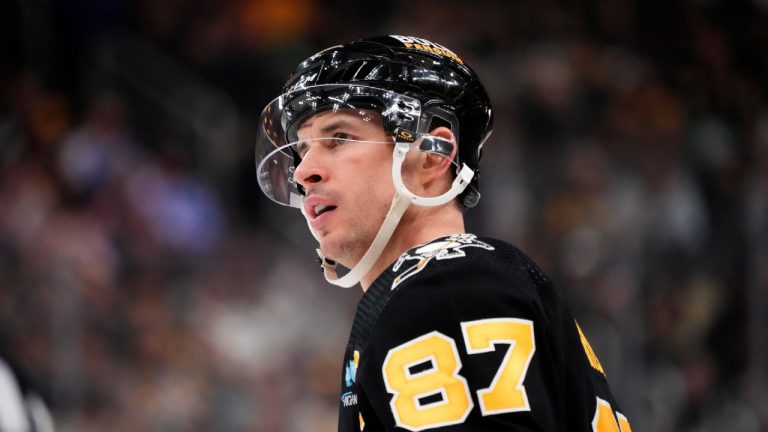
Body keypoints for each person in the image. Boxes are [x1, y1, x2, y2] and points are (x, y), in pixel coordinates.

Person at [255, 35, 632, 432]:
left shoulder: (445, 286)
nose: (301, 171)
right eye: (301, 150)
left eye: (339, 138)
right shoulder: (448, 286)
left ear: (433, 155)